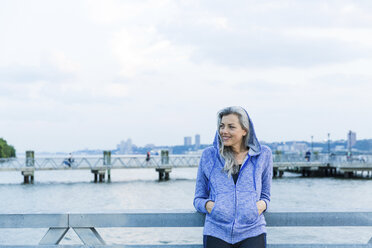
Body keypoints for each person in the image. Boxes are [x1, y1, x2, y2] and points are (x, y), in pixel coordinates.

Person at [193, 106, 273, 248]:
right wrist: (211, 207)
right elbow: (198, 198)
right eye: (222, 126)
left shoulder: (263, 155)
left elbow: (265, 195)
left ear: (244, 130)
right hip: (217, 231)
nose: (224, 131)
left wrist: (260, 206)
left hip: (252, 231)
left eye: (231, 127)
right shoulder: (209, 156)